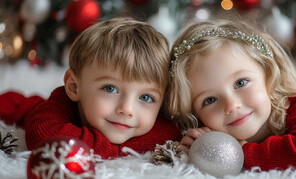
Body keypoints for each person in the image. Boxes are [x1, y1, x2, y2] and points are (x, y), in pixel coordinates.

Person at [165, 18, 296, 172]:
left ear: (269, 74)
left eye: (241, 83)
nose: (232, 105)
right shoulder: (208, 129)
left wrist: (240, 151)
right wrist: (194, 144)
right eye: (209, 100)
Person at [0, 17, 182, 158]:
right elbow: (45, 138)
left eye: (146, 97)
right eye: (110, 88)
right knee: (18, 106)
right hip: (33, 108)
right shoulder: (56, 109)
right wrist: (116, 150)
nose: (127, 110)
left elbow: (173, 132)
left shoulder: (159, 124)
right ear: (73, 86)